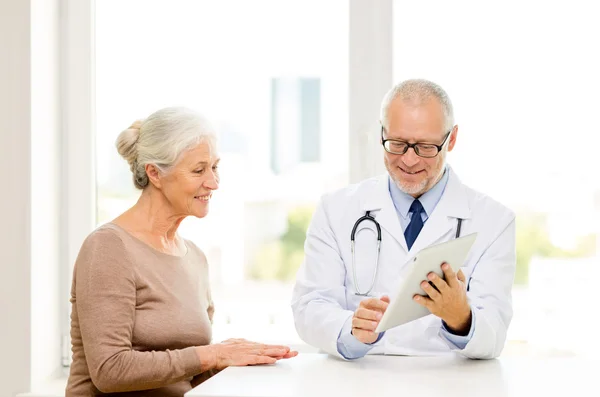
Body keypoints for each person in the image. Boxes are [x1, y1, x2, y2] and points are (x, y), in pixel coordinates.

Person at [66, 107, 297, 396]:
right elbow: (110, 370)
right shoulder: (109, 248)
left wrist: (239, 359)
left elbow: (186, 373)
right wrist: (212, 355)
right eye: (198, 170)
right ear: (155, 174)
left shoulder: (195, 257)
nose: (213, 182)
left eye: (215, 167)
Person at [291, 79, 516, 360]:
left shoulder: (494, 221)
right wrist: (350, 329)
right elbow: (309, 306)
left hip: (449, 384)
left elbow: (494, 334)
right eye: (396, 144)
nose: (409, 161)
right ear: (381, 133)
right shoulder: (335, 209)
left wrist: (461, 318)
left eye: (425, 147)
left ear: (452, 139)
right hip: (359, 381)